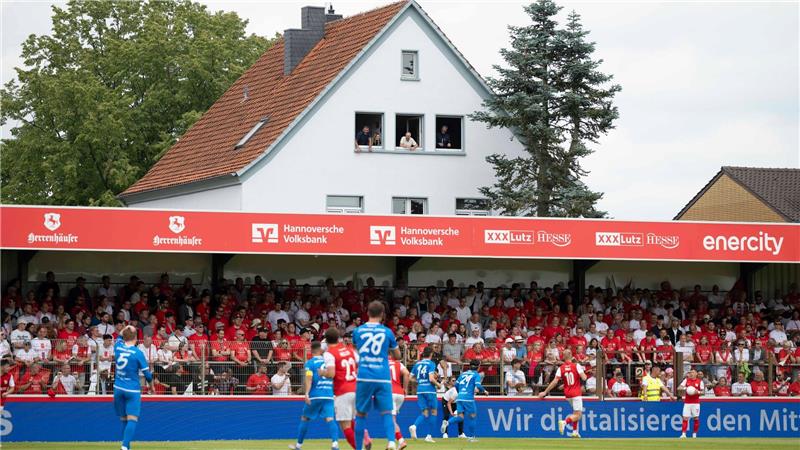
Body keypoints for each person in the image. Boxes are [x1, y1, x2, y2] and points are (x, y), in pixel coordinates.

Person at [352, 301, 400, 450]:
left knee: (360, 414)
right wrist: (387, 350)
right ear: (382, 314)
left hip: (364, 376)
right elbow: (397, 355)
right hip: (382, 377)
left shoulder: (358, 331)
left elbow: (355, 350)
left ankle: (358, 448)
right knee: (387, 412)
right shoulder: (387, 332)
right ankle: (391, 442)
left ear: (367, 313)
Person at [321, 328, 372, 450]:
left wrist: (322, 372)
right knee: (352, 419)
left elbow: (331, 373)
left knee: (345, 425)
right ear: (339, 338)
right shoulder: (350, 350)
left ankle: (359, 447)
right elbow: (361, 364)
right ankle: (365, 435)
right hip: (356, 389)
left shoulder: (329, 353)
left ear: (326, 340)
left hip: (343, 391)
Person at [291, 341, 339, 450]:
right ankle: (335, 444)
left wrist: (306, 393)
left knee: (305, 418)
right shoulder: (329, 362)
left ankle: (298, 445)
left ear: (311, 350)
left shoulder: (310, 363)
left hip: (315, 395)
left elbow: (309, 378)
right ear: (321, 350)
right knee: (330, 418)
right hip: (328, 395)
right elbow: (334, 376)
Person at [113, 325, 154, 450]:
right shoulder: (137, 353)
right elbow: (147, 374)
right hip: (132, 389)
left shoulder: (117, 347)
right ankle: (125, 446)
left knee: (123, 419)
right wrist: (151, 386)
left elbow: (119, 336)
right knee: (132, 419)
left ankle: (126, 446)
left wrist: (126, 327)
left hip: (118, 388)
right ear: (136, 338)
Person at [538, 349, 587, 438]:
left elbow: (555, 381)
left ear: (563, 357)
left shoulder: (561, 368)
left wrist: (545, 392)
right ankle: (565, 422)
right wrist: (583, 374)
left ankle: (575, 432)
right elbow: (584, 378)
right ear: (571, 355)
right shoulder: (576, 365)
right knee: (578, 415)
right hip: (576, 393)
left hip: (568, 394)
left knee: (575, 412)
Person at [443, 360, 487, 443]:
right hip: (468, 398)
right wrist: (484, 391)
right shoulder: (476, 374)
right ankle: (471, 437)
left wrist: (460, 393)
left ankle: (447, 422)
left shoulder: (463, 374)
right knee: (472, 416)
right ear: (478, 367)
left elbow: (456, 385)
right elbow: (478, 385)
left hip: (459, 398)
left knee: (460, 417)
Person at [409, 347, 442, 442]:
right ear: (431, 354)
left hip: (420, 390)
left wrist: (419, 381)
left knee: (424, 412)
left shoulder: (417, 364)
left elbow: (410, 378)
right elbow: (431, 379)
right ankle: (429, 436)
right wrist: (438, 385)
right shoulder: (431, 363)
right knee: (434, 412)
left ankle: (414, 426)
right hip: (429, 390)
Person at [389, 356, 409, 449]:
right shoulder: (398, 363)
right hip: (400, 393)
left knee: (390, 420)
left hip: (389, 393)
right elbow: (407, 373)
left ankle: (401, 440)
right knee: (392, 420)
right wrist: (405, 388)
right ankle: (391, 442)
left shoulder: (382, 363)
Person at [678, 369, 704, 439]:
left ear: (696, 374)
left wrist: (697, 392)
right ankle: (683, 434)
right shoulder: (686, 380)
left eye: (693, 372)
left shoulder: (700, 382)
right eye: (690, 372)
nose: (691, 374)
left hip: (696, 403)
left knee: (696, 418)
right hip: (687, 403)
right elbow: (679, 388)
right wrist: (686, 388)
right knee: (685, 418)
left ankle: (694, 434)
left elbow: (703, 392)